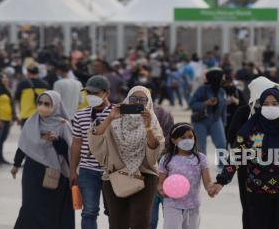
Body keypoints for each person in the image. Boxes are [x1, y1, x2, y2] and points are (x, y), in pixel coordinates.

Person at [211, 87, 279, 229]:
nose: (271, 107)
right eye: (266, 104)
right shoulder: (250, 128)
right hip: (258, 191)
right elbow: (236, 155)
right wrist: (222, 181)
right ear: (261, 105)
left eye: (275, 103)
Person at [88, 86, 164, 229]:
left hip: (145, 175)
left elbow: (155, 150)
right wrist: (109, 118)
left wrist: (148, 127)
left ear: (148, 102)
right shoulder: (115, 121)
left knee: (140, 222)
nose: (137, 103)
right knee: (117, 223)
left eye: (142, 100)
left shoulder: (152, 122)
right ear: (127, 100)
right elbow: (95, 140)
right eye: (133, 99)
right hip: (115, 176)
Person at [11, 91, 74, 229]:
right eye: (40, 103)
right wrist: (16, 164)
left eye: (47, 104)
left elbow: (69, 151)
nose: (42, 107)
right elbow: (23, 145)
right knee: (29, 206)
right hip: (32, 172)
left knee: (49, 209)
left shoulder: (63, 125)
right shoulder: (32, 121)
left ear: (56, 106)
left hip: (53, 173)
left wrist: (56, 140)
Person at [225, 76, 279, 229]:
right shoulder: (243, 112)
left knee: (273, 208)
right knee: (250, 207)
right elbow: (233, 137)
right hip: (247, 169)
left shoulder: (278, 111)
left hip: (274, 169)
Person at [70, 76, 114, 229]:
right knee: (89, 211)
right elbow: (76, 143)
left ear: (106, 93)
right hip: (87, 170)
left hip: (112, 171)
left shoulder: (117, 114)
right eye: (88, 93)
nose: (91, 97)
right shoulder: (80, 115)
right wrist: (73, 171)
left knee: (114, 211)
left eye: (95, 93)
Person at [158, 123, 214, 229]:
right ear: (174, 140)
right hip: (172, 204)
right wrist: (162, 190)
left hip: (192, 205)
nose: (188, 140)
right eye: (183, 137)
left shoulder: (200, 158)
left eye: (190, 136)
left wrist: (211, 189)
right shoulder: (166, 159)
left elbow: (208, 182)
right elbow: (160, 184)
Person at [189, 68, 227, 164]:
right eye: (222, 78)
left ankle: (222, 167)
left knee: (222, 143)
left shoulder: (222, 91)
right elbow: (192, 104)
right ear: (216, 78)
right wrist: (206, 103)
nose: (223, 79)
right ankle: (202, 166)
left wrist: (224, 122)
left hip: (216, 120)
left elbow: (223, 109)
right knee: (201, 146)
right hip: (201, 120)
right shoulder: (202, 89)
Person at [150, 103, 175, 229]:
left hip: (167, 186)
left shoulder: (176, 144)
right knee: (151, 220)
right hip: (150, 183)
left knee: (170, 221)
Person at [222, 74, 247, 139]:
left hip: (235, 117)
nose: (228, 85)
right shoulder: (221, 92)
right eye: (226, 84)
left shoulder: (237, 91)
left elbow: (245, 104)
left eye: (230, 83)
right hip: (224, 118)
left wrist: (237, 101)